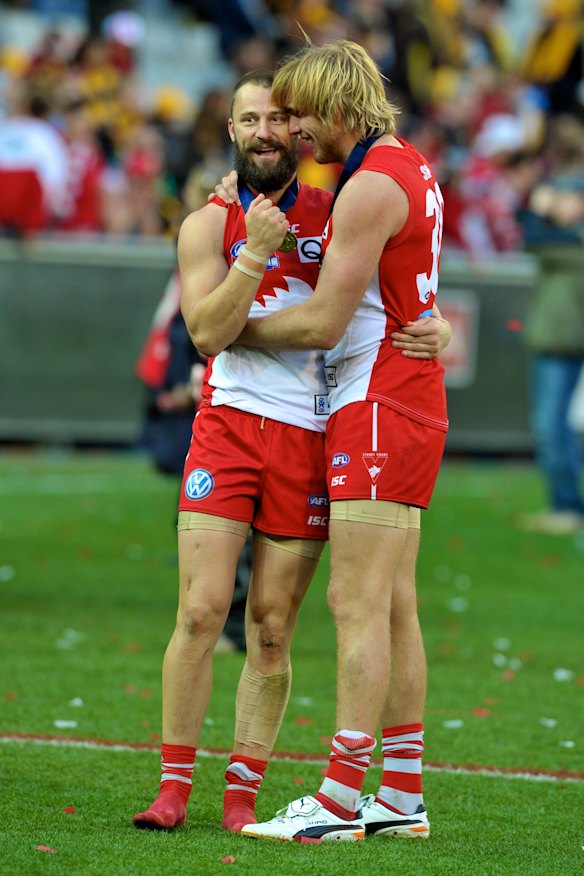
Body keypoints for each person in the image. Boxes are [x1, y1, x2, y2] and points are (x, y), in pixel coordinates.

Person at [132, 68, 450, 835]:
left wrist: (437, 324)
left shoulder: (341, 200)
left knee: (274, 625)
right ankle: (174, 788)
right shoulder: (208, 223)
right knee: (203, 610)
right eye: (252, 119)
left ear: (301, 127)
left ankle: (244, 794)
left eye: (283, 116)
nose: (271, 130)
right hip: (229, 426)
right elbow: (204, 333)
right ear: (233, 132)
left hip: (314, 432)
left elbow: (386, 286)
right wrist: (253, 257)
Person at [235, 40, 448, 843]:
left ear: (333, 107)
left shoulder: (369, 185)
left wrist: (232, 331)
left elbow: (325, 321)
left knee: (353, 602)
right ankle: (399, 794)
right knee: (394, 605)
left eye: (297, 114)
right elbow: (413, 290)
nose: (291, 131)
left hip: (380, 399)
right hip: (405, 395)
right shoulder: (410, 166)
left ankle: (335, 798)